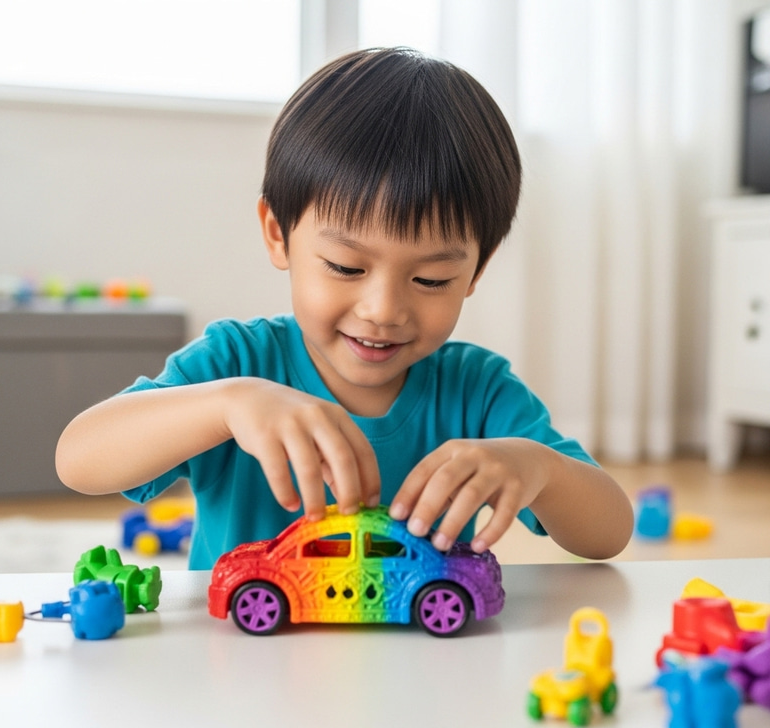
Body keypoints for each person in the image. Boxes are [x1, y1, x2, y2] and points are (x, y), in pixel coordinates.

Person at [55, 47, 633, 570]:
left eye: (431, 278)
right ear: (278, 235)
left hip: (417, 663)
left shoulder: (477, 390)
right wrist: (227, 405)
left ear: (476, 271)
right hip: (244, 660)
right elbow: (78, 459)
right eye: (346, 268)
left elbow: (609, 534)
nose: (383, 309)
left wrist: (542, 468)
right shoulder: (236, 364)